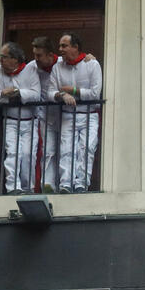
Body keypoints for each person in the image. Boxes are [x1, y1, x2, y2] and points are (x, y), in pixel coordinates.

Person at [47, 33, 102, 193]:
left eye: (64, 46)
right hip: (68, 115)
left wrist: (74, 90)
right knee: (66, 150)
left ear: (75, 47)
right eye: (60, 46)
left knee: (87, 148)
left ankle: (81, 184)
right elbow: (50, 92)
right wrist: (62, 95)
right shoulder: (57, 66)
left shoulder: (92, 65)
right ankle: (65, 184)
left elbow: (95, 94)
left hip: (89, 115)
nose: (60, 49)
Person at [0, 42, 40, 194]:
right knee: (12, 152)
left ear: (15, 59)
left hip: (30, 121)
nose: (1, 60)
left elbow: (36, 94)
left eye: (4, 57)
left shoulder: (30, 70)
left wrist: (18, 92)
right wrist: (8, 96)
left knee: (28, 155)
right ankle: (13, 187)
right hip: (11, 120)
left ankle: (27, 188)